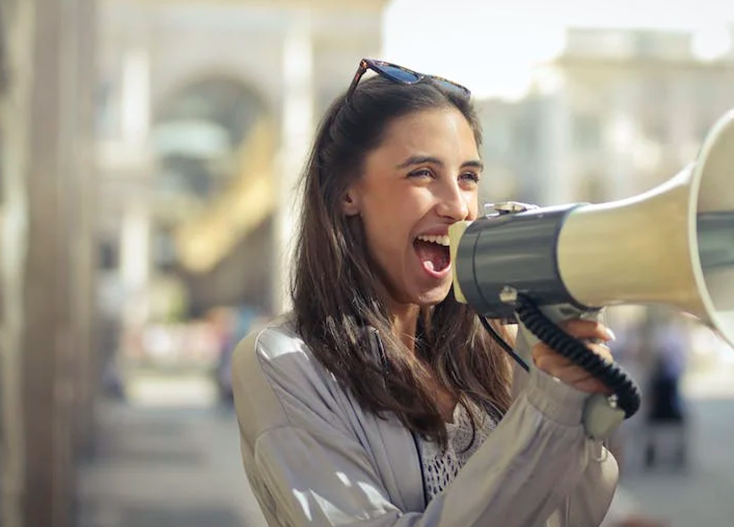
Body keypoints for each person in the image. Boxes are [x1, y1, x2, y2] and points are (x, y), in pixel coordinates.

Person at [231, 59, 640, 526]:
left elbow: (565, 517)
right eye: (423, 173)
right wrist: (546, 413)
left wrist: (571, 395)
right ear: (347, 193)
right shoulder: (283, 361)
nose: (458, 206)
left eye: (468, 176)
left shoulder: (500, 344)